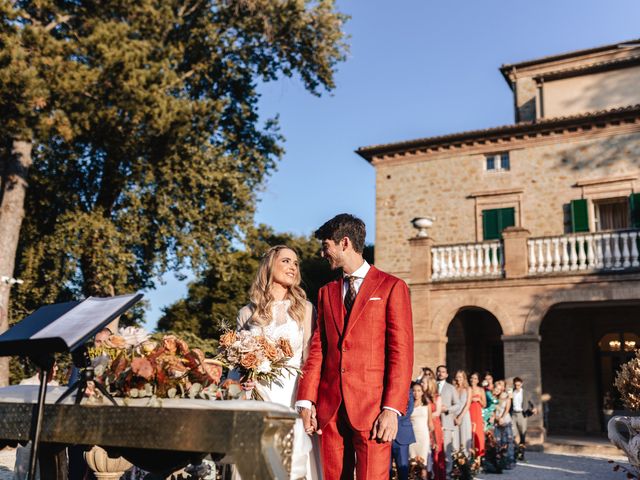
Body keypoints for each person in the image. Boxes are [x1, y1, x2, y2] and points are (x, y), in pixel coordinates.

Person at [296, 214, 414, 479]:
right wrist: (306, 400)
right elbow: (318, 349)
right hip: (331, 410)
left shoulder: (392, 287)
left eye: (326, 245)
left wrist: (392, 410)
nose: (322, 253)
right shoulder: (326, 292)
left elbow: (401, 353)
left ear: (344, 243)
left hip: (373, 410)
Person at [236, 245, 320, 479]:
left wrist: (309, 402)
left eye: (295, 263)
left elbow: (310, 359)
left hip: (292, 398)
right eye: (286, 261)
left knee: (291, 466)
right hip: (257, 399)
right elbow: (236, 364)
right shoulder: (247, 313)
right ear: (269, 265)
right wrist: (242, 382)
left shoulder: (305, 309)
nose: (293, 267)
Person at [435, 365, 460, 474]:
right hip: (433, 422)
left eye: (443, 372)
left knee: (446, 450)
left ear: (447, 374)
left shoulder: (451, 388)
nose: (441, 373)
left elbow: (458, 404)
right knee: (435, 449)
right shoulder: (432, 386)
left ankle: (448, 473)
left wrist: (447, 409)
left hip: (446, 422)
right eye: (439, 371)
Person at [391, 387, 416, 480]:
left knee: (403, 470)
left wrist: (391, 420)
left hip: (402, 435)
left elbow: (409, 409)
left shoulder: (407, 390)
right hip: (384, 436)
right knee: (385, 472)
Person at [409, 381, 433, 479]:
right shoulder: (408, 405)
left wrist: (434, 440)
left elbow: (430, 423)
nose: (416, 393)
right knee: (412, 465)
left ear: (422, 392)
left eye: (419, 391)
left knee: (423, 465)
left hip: (423, 437)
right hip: (411, 437)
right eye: (414, 391)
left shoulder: (427, 405)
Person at [422, 376, 445, 480]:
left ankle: (438, 476)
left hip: (435, 426)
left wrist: (427, 415)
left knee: (436, 451)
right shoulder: (421, 396)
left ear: (429, 384)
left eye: (424, 383)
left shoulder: (437, 397)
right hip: (424, 426)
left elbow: (438, 412)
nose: (422, 384)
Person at [493, 380, 515, 469]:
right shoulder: (494, 396)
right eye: (498, 385)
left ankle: (509, 461)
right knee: (498, 441)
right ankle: (499, 462)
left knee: (508, 441)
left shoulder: (507, 396)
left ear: (504, 387)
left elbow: (507, 408)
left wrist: (502, 418)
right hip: (497, 421)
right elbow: (492, 409)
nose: (499, 386)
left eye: (501, 385)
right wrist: (496, 418)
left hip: (505, 420)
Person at [510, 377, 536, 447]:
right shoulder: (511, 392)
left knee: (522, 433)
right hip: (513, 414)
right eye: (515, 385)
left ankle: (521, 451)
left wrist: (534, 408)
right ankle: (515, 449)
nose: (517, 387)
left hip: (522, 414)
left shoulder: (526, 393)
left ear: (522, 384)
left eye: (518, 385)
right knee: (513, 433)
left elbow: (532, 402)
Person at [453, 370, 473, 456]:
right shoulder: (453, 388)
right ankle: (456, 461)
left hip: (464, 416)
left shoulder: (468, 389)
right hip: (454, 417)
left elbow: (468, 404)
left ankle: (466, 462)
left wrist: (460, 417)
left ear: (464, 378)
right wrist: (454, 418)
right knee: (455, 439)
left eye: (460, 377)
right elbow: (451, 404)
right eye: (457, 377)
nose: (458, 379)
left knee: (465, 438)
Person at [469, 372, 486, 458]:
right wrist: (471, 399)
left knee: (478, 434)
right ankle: (469, 457)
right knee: (469, 433)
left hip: (477, 414)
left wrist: (479, 400)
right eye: (472, 378)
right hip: (469, 413)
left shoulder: (481, 390)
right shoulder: (467, 389)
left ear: (478, 380)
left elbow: (485, 404)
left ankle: (479, 457)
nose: (473, 380)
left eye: (475, 378)